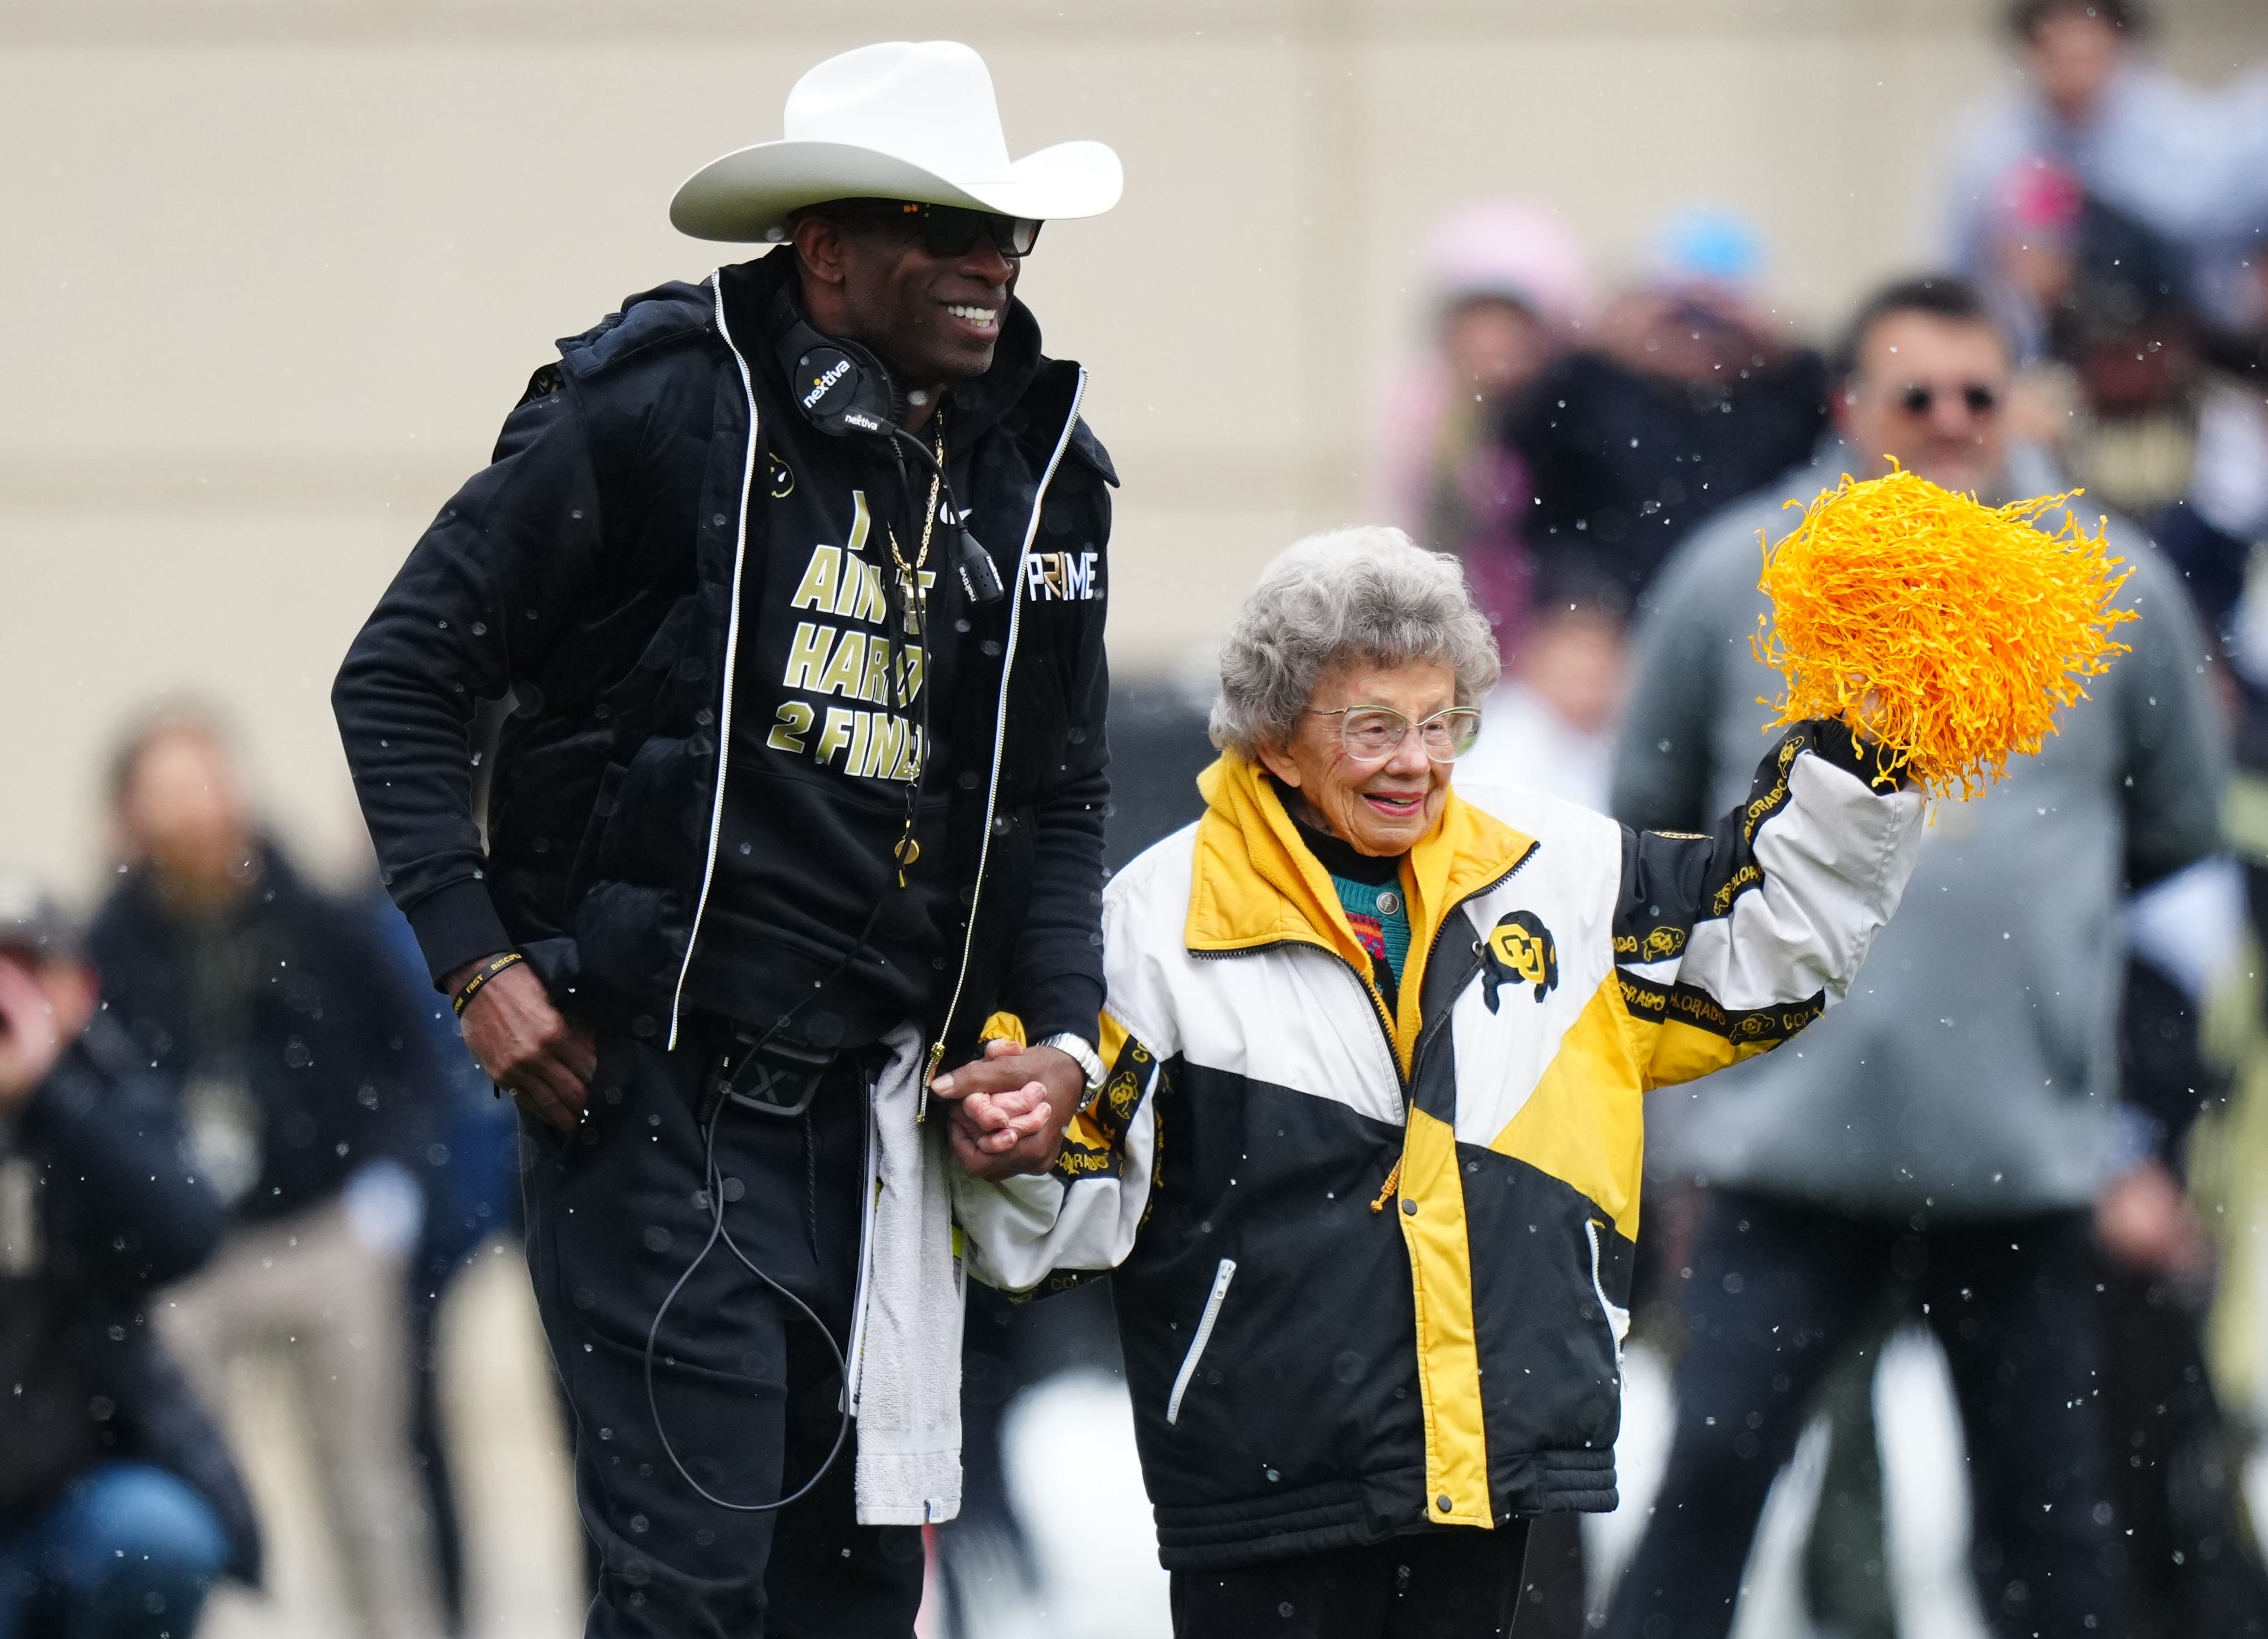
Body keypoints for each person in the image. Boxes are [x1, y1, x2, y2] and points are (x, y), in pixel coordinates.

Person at [332, 39, 1123, 1638]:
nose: (988, 263)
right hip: (654, 1100)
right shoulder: (657, 407)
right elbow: (398, 678)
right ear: (820, 245)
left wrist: (1052, 1034)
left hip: (881, 1125)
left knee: (841, 1601)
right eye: (941, 226)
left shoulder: (1045, 476)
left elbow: (1055, 797)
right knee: (688, 1592)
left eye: (1008, 234)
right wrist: (476, 962)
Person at [947, 526, 1929, 1637]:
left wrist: (1872, 745)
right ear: (1270, 737)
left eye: (1438, 721)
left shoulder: (1555, 866)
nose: (1414, 760)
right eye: (1372, 727)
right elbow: (1053, 1221)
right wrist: (1012, 1145)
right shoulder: (1148, 921)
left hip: (1512, 1469)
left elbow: (1764, 941)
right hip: (1265, 1496)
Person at [1604, 274, 2225, 1638]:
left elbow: (2177, 820)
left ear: (2020, 401)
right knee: (1710, 1483)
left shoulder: (2108, 580)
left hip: (2021, 1153)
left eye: (1978, 393)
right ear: (1849, 406)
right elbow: (1644, 812)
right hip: (1784, 1141)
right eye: (1916, 394)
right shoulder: (1739, 573)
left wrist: (2029, 947)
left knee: (2054, 1519)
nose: (1950, 419)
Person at [87, 713, 446, 1639]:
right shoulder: (108, 949)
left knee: (371, 1489)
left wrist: (387, 1192)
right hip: (187, 1257)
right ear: (128, 816)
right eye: (166, 795)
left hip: (326, 1232)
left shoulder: (316, 917)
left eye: (206, 785)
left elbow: (410, 1057)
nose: (195, 814)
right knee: (187, 1491)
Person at [0, 872, 258, 1639]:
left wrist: (46, 1090)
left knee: (161, 1539)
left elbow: (184, 1233)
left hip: (68, 1495)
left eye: (24, 971)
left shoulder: (101, 1090)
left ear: (77, 990)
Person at [1502, 208, 1827, 614]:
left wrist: (1782, 351)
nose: (1695, 336)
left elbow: (1838, 412)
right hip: (1611, 620)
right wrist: (1603, 341)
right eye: (1676, 316)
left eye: (1716, 321)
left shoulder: (1782, 399)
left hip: (1747, 612)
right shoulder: (1591, 390)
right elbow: (1520, 433)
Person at [1368, 198, 1593, 641]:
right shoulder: (1424, 412)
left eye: (1510, 324)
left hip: (1559, 659)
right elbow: (1402, 532)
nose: (1490, 343)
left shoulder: (1580, 418)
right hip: (1451, 642)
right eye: (1474, 322)